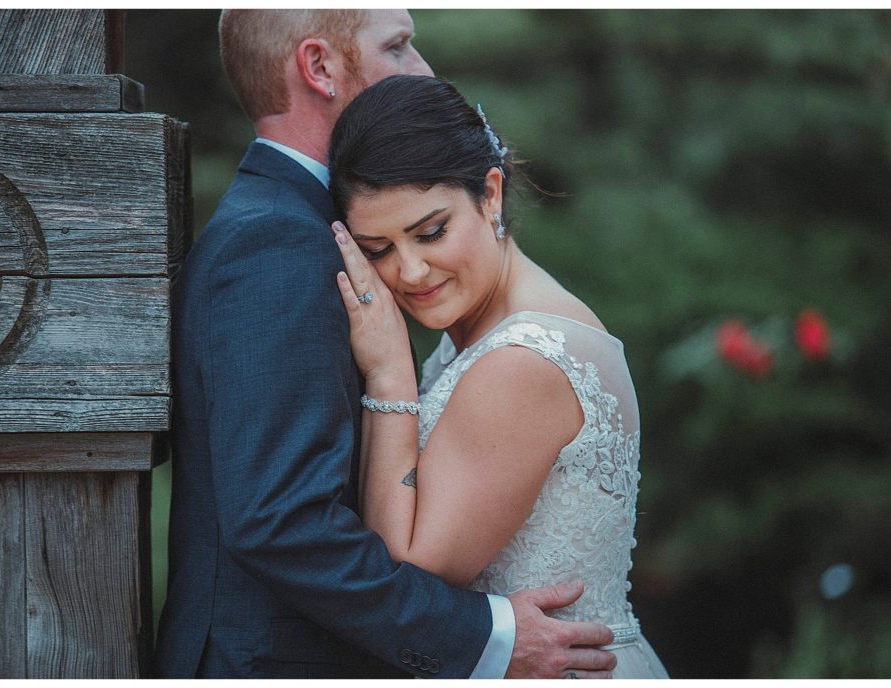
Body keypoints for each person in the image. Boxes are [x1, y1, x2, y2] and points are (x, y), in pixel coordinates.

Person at [155, 9, 617, 679]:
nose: (424, 69)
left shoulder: (306, 225)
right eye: (398, 46)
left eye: (429, 233)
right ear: (319, 67)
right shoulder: (278, 244)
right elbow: (280, 520)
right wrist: (481, 638)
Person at [327, 74, 670, 679]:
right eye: (377, 249)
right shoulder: (483, 333)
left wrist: (389, 377)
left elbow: (407, 569)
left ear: (490, 194)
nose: (410, 271)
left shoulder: (522, 360)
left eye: (431, 232)